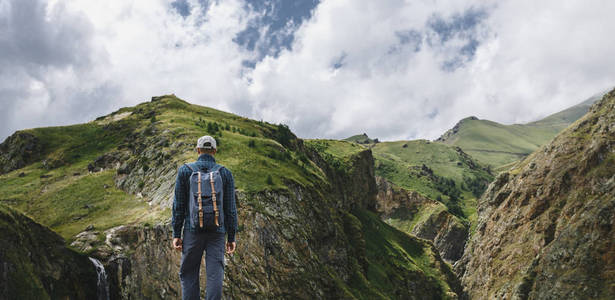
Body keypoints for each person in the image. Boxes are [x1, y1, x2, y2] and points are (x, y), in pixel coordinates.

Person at [172, 135, 238, 300]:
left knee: (188, 273)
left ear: (198, 150)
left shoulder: (185, 171)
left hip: (192, 231)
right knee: (215, 274)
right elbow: (230, 209)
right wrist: (231, 237)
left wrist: (176, 234)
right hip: (217, 231)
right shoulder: (225, 173)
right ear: (215, 151)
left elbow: (178, 206)